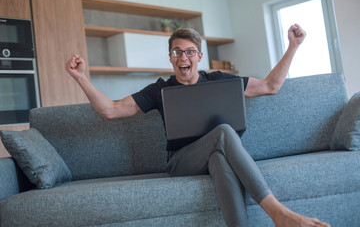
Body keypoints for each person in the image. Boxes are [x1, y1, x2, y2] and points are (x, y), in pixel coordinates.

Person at [65, 25, 330, 227]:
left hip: (214, 156)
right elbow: (109, 111)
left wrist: (293, 46)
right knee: (223, 132)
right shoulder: (160, 89)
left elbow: (271, 86)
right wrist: (81, 78)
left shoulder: (219, 80)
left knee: (219, 159)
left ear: (199, 56)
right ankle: (278, 212)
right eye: (177, 52)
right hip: (180, 162)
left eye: (190, 52)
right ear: (170, 58)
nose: (184, 57)